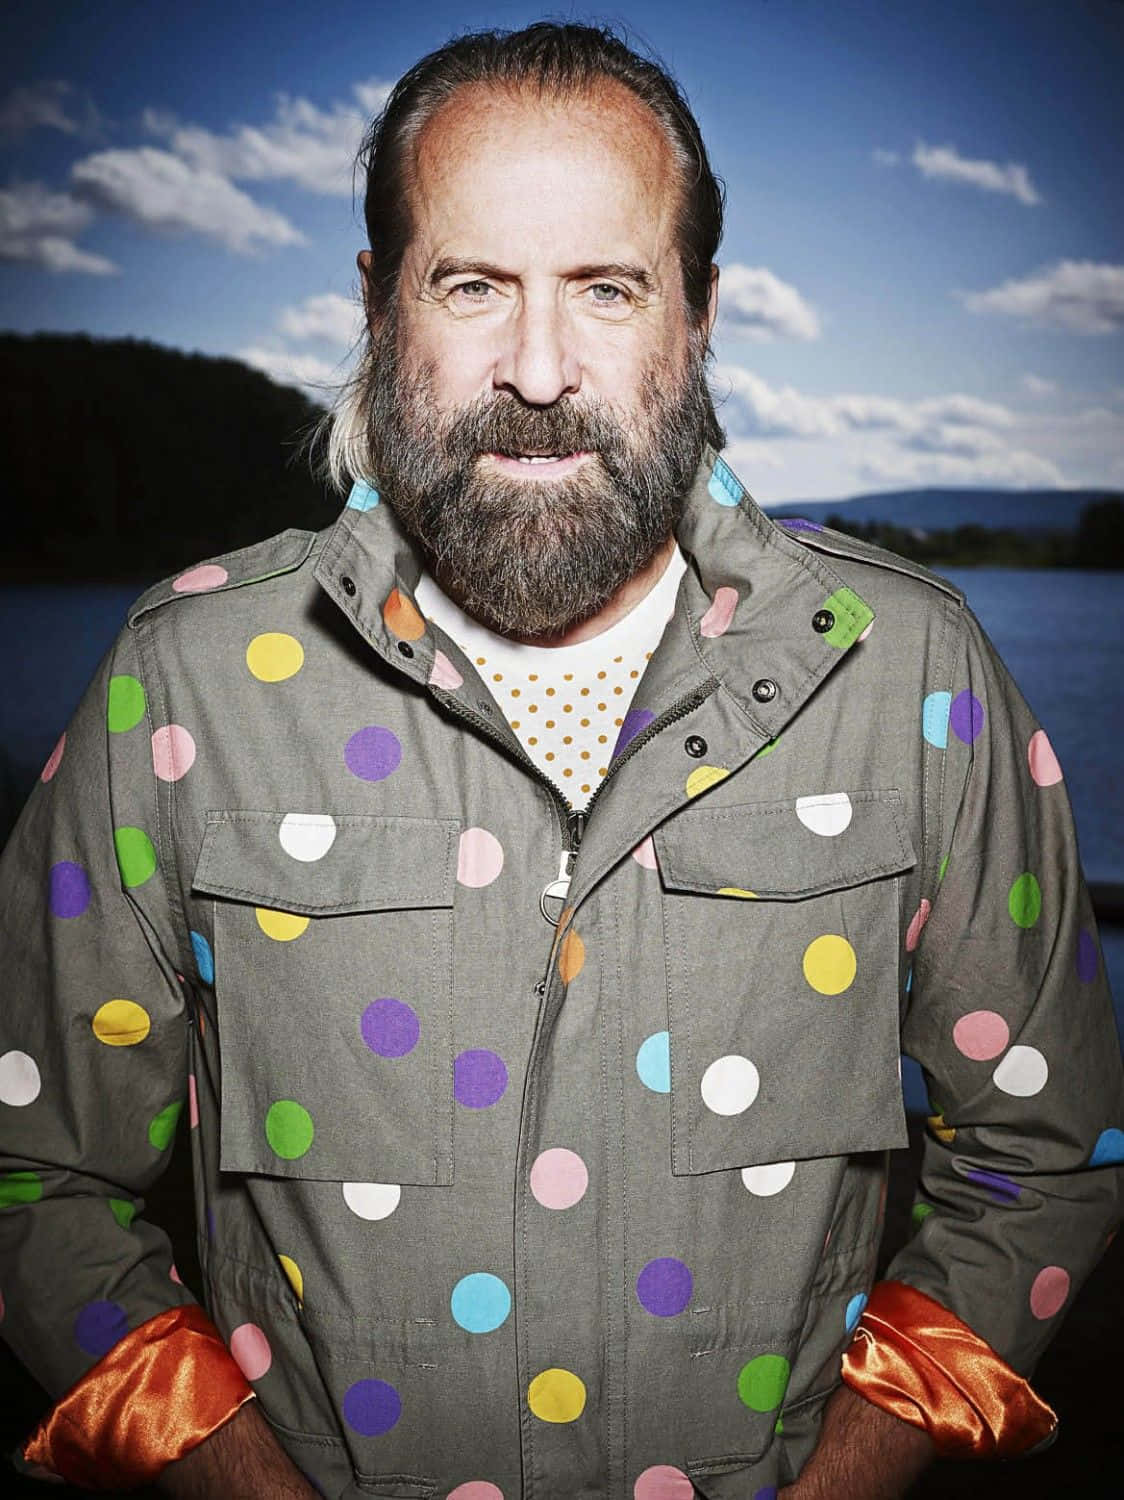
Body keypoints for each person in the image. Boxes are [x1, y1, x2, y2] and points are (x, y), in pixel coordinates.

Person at [0, 19, 1121, 1500]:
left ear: (699, 313)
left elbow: (1044, 1155)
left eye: (607, 288)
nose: (538, 369)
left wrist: (852, 1477)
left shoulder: (913, 676)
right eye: (472, 285)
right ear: (380, 306)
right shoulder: (183, 682)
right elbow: (30, 1173)